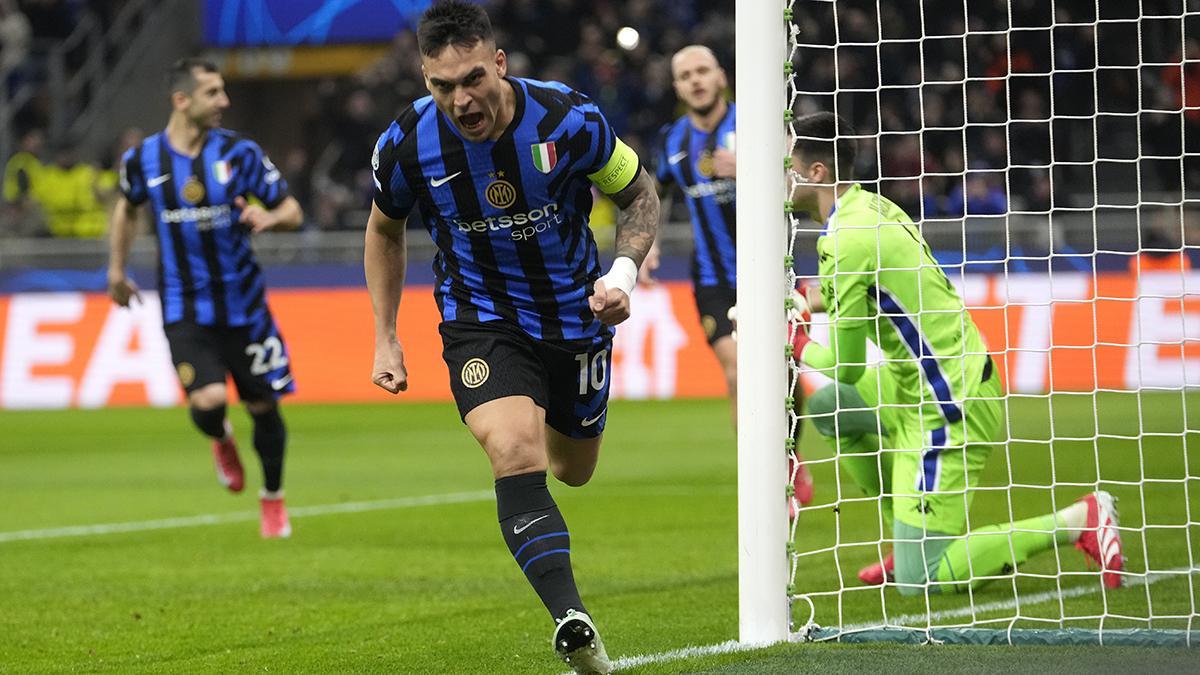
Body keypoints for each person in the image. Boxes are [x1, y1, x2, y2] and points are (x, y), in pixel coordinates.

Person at [365, 2, 657, 672]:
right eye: (443, 86)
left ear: (499, 62)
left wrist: (622, 274)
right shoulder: (407, 143)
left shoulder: (567, 118)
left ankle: (565, 589)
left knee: (572, 469)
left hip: (577, 315)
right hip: (482, 320)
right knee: (513, 450)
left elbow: (640, 195)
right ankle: (572, 618)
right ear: (424, 79)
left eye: (473, 79)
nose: (462, 100)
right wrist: (385, 334)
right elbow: (384, 229)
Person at [790, 111, 1124, 594]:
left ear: (816, 173)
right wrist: (805, 297)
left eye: (788, 166)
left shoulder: (847, 238)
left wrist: (797, 339)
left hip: (947, 403)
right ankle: (905, 533)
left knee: (919, 580)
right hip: (924, 381)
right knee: (828, 407)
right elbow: (864, 289)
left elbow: (846, 364)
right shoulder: (867, 208)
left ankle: (1079, 520)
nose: (780, 176)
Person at [107, 58, 303, 539]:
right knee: (210, 400)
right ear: (182, 100)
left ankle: (273, 500)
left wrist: (270, 219)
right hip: (184, 308)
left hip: (246, 307)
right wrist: (115, 270)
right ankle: (220, 438)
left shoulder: (241, 153)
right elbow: (126, 209)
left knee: (263, 406)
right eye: (213, 92)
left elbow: (292, 210)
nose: (225, 101)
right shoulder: (143, 160)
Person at [647, 45, 813, 511]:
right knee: (740, 372)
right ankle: (765, 474)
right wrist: (647, 246)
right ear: (677, 86)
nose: (696, 80)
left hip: (773, 271)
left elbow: (803, 190)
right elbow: (651, 198)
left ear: (720, 77)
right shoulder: (671, 141)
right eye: (685, 75)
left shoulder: (760, 124)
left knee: (780, 371)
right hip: (715, 281)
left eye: (703, 71)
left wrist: (751, 171)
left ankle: (790, 453)